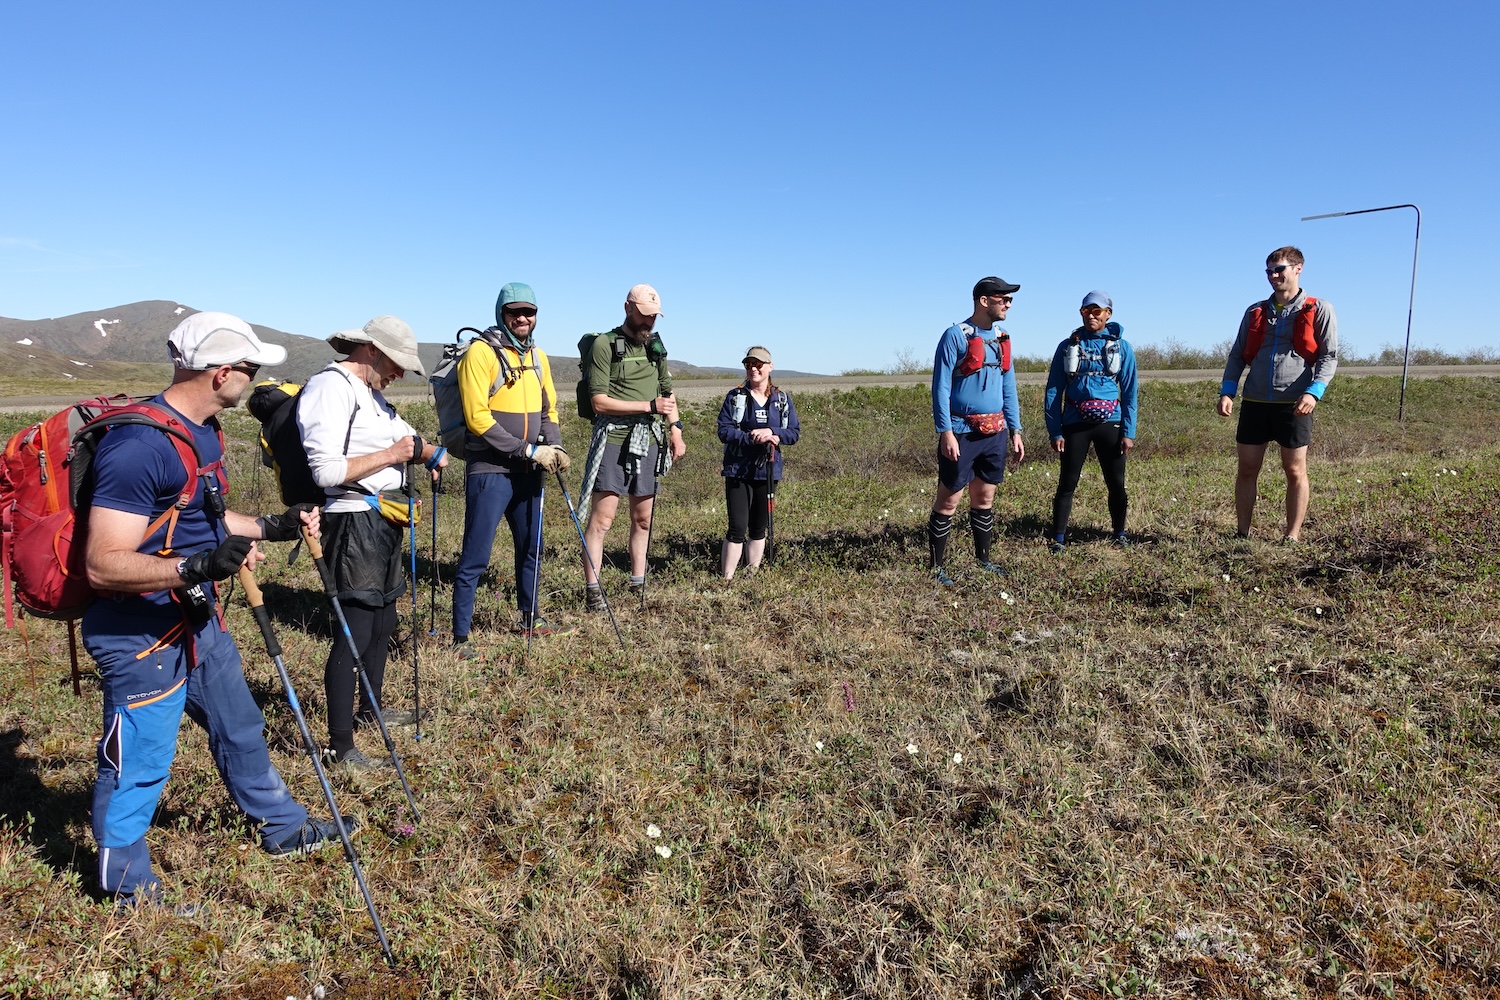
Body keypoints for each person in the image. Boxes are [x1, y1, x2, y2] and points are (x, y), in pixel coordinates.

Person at [83, 311, 343, 909]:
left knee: (240, 726)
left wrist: (269, 527)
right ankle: (124, 888)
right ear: (221, 371)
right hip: (141, 633)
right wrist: (195, 567)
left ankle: (284, 827)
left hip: (196, 621)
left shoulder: (201, 431)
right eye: (249, 370)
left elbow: (199, 515)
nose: (252, 381)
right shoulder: (139, 446)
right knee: (138, 763)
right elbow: (102, 563)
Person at [298, 316, 449, 771]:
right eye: (398, 363)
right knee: (355, 630)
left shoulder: (372, 395)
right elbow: (324, 471)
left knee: (383, 622)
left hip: (382, 519)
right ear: (371, 351)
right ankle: (341, 747)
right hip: (352, 523)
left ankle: (372, 710)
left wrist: (429, 452)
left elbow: (404, 439)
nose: (401, 373)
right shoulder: (331, 388)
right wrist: (393, 456)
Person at [451, 282, 572, 652]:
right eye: (514, 312)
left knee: (531, 546)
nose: (522, 318)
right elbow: (477, 419)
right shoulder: (480, 354)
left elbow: (548, 409)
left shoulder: (539, 357)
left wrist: (555, 446)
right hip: (490, 469)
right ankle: (461, 636)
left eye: (529, 312)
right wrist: (528, 450)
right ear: (500, 314)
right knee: (477, 554)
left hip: (529, 472)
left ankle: (531, 618)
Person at [1217, 247, 1339, 542]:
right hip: (1256, 401)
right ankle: (1242, 534)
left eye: (1279, 269)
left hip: (1295, 404)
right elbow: (1237, 356)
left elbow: (1328, 357)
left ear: (1298, 268)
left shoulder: (1319, 308)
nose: (1273, 276)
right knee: (1247, 468)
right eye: (1269, 271)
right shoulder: (1255, 311)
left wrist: (1314, 392)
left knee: (1295, 470)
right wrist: (1227, 391)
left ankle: (1292, 536)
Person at [578, 284, 686, 610]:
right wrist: (648, 406)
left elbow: (668, 394)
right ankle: (593, 593)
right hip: (613, 440)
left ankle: (638, 586)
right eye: (644, 315)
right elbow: (598, 402)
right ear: (627, 307)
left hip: (649, 440)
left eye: (654, 317)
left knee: (643, 520)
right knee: (602, 521)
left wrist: (676, 430)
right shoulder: (604, 345)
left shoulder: (655, 345)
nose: (649, 322)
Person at [928, 276, 1026, 584]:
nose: (1008, 304)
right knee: (949, 499)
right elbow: (940, 387)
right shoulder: (955, 336)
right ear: (984, 301)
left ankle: (983, 560)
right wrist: (945, 432)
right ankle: (936, 568)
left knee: (984, 498)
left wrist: (1016, 429)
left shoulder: (1003, 337)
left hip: (994, 431)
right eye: (1003, 299)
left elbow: (1008, 387)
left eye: (1010, 300)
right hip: (961, 431)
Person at [1043, 291, 1139, 551]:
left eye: (1097, 311)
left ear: (1108, 314)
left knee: (1116, 483)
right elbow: (1053, 390)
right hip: (1075, 424)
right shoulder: (1068, 346)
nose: (1092, 316)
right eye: (1087, 311)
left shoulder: (1123, 347)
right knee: (1067, 482)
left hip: (1112, 423)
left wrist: (1128, 432)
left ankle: (1119, 533)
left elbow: (1130, 392)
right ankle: (1059, 538)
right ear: (1081, 312)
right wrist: (1055, 431)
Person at [716, 346, 801, 579]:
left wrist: (773, 433)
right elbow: (724, 431)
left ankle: (751, 575)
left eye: (758, 364)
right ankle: (727, 580)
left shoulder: (782, 399)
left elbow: (793, 433)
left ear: (770, 367)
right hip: (737, 470)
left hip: (769, 471)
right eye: (749, 364)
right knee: (737, 528)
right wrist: (752, 436)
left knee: (758, 528)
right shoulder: (735, 397)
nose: (753, 369)